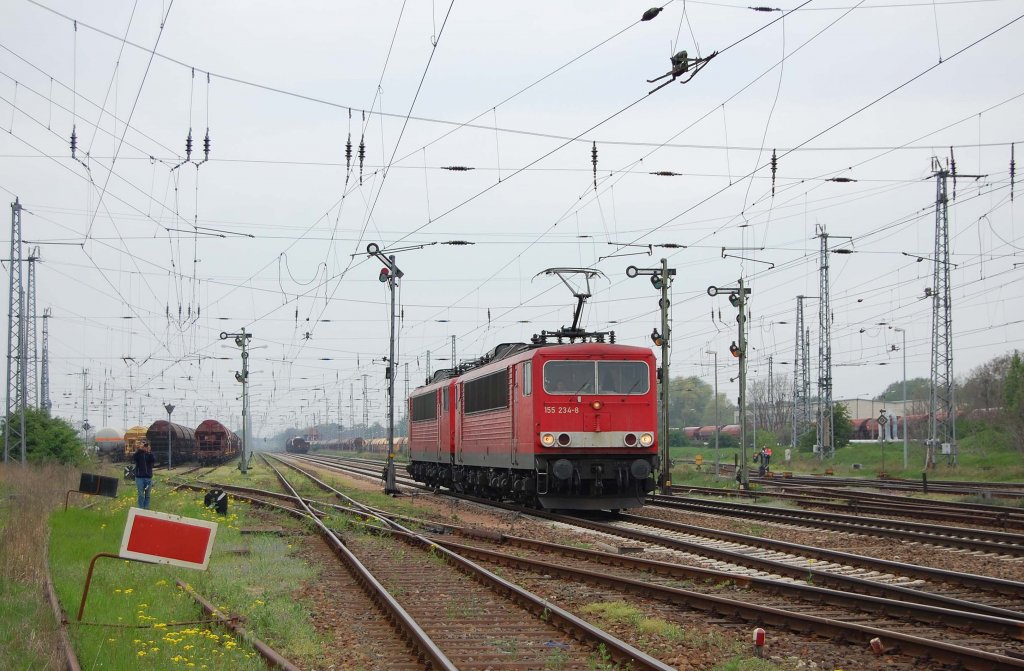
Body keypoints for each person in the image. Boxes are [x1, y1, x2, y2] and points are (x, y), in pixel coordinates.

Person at [132, 440, 156, 509]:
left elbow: (153, 460)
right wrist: (140, 450)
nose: (144, 447)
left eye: (145, 445)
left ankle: (146, 508)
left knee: (147, 495)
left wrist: (148, 451)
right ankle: (141, 508)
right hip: (140, 478)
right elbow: (134, 458)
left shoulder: (149, 454)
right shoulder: (138, 454)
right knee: (141, 495)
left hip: (148, 478)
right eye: (143, 445)